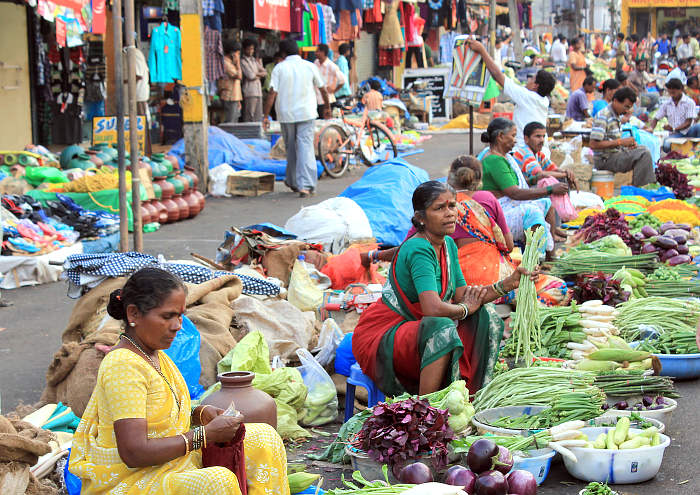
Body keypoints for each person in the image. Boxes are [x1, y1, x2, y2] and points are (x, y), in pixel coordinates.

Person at [69, 268, 289, 494]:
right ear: (133, 314)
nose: (178, 325)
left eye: (180, 315)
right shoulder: (123, 365)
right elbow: (134, 453)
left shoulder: (155, 355)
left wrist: (198, 413)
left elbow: (159, 411)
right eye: (167, 316)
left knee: (264, 437)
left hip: (171, 463)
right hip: (133, 479)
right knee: (218, 482)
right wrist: (204, 435)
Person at [352, 181, 536, 396]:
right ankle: (426, 407)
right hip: (385, 333)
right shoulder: (419, 248)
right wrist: (465, 309)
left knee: (486, 317)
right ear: (421, 218)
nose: (450, 213)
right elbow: (433, 308)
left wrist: (508, 284)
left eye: (452, 206)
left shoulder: (447, 244)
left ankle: (471, 392)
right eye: (439, 208)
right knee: (442, 327)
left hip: (416, 329)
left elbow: (464, 296)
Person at [480, 118, 568, 254]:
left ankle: (550, 251)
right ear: (501, 137)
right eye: (513, 136)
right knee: (532, 213)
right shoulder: (494, 160)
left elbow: (518, 182)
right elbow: (514, 193)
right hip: (499, 214)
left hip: (509, 206)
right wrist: (550, 189)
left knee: (546, 203)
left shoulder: (506, 158)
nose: (515, 140)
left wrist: (536, 179)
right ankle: (537, 258)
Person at [263, 39, 329, 198]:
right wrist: (327, 106)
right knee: (305, 146)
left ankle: (293, 181)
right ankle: (305, 185)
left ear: (283, 53)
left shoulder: (279, 68)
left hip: (286, 114)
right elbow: (323, 89)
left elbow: (272, 92)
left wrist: (265, 115)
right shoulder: (309, 66)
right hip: (306, 113)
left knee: (291, 147)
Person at [467, 39, 556, 148]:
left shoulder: (527, 96)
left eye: (532, 78)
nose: (528, 80)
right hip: (540, 150)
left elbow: (497, 75)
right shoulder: (543, 100)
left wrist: (482, 50)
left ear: (535, 85)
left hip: (524, 152)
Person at [590, 87, 655, 187]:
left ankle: (644, 185)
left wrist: (627, 146)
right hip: (605, 160)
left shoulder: (616, 115)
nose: (627, 111)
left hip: (615, 154)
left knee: (643, 149)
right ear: (615, 101)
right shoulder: (604, 116)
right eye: (626, 107)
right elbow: (593, 144)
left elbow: (613, 141)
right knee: (643, 154)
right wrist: (620, 142)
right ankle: (642, 189)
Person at [512, 122, 578, 189]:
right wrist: (565, 175)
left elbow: (554, 169)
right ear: (526, 139)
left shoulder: (538, 154)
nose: (542, 140)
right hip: (519, 191)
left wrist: (567, 173)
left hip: (527, 189)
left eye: (543, 136)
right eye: (538, 136)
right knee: (552, 182)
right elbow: (540, 174)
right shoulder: (524, 152)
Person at [646, 78, 700, 152]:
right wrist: (651, 128)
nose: (672, 95)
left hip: (689, 131)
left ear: (681, 90)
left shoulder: (689, 102)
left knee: (698, 126)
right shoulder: (667, 104)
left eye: (674, 92)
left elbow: (688, 122)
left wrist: (674, 128)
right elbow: (656, 118)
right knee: (666, 145)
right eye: (670, 93)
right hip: (676, 134)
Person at [314, 43, 346, 116]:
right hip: (317, 99)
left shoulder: (331, 66)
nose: (315, 53)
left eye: (317, 51)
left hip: (327, 101)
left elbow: (342, 80)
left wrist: (334, 90)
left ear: (323, 52)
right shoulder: (316, 63)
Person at [240, 39, 267, 122]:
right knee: (249, 115)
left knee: (258, 116)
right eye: (249, 49)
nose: (251, 51)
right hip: (249, 92)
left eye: (252, 49)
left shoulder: (254, 60)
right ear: (244, 49)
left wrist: (256, 75)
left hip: (258, 91)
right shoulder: (243, 61)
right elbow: (250, 76)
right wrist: (258, 74)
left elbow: (265, 72)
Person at [217, 41, 242, 123]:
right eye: (237, 54)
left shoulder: (231, 63)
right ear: (232, 53)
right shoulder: (225, 63)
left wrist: (238, 100)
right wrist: (238, 63)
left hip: (235, 96)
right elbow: (239, 76)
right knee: (230, 122)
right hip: (229, 96)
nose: (238, 56)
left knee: (234, 121)